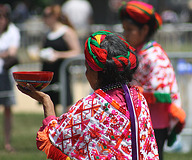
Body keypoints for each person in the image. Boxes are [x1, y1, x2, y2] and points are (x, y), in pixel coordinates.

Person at [17, 30, 159, 159]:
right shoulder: (138, 98)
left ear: (97, 74)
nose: (86, 74)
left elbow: (56, 138)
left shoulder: (92, 106)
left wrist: (47, 102)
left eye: (87, 69)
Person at [119, 1, 186, 159]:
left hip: (154, 122)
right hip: (139, 120)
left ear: (145, 29)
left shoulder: (154, 55)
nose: (125, 34)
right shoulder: (138, 52)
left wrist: (129, 94)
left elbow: (157, 90)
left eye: (130, 30)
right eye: (124, 29)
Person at [40, 4, 81, 113]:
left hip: (61, 73)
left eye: (46, 15)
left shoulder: (66, 32)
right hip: (48, 73)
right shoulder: (47, 33)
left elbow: (76, 51)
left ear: (54, 16)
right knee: (48, 104)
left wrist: (58, 55)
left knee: (66, 105)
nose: (43, 18)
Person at [0, 4, 20, 152]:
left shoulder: (12, 31)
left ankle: (7, 143)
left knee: (7, 109)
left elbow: (12, 53)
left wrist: (6, 54)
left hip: (5, 75)